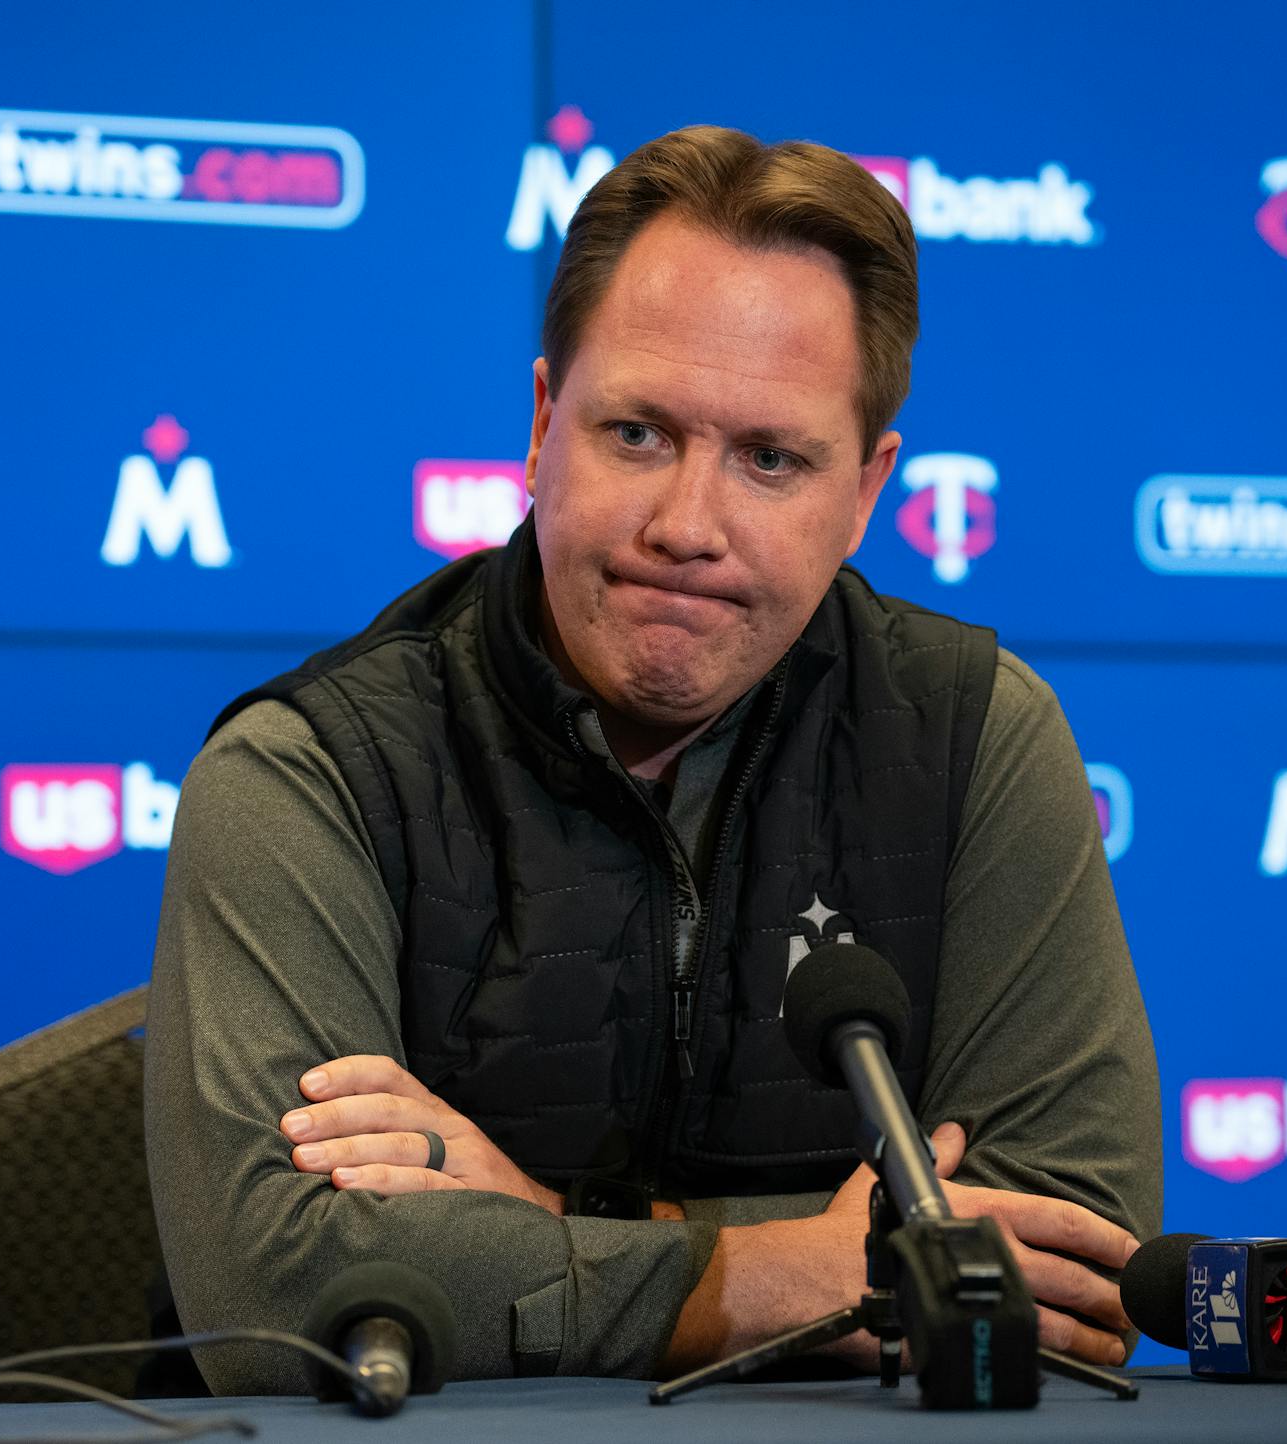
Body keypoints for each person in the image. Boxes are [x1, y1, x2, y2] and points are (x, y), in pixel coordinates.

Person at [142, 125, 1160, 1395]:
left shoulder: (975, 737)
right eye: (636, 434)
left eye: (770, 459)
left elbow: (1071, 1255)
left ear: (865, 492)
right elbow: (273, 1291)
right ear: (541, 425)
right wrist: (783, 1276)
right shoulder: (312, 771)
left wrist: (546, 1225)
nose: (688, 524)